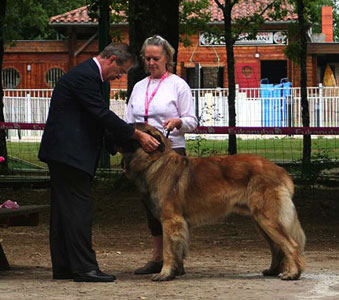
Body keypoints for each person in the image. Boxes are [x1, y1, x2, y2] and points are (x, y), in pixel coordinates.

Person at [38, 43, 160, 283]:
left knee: (64, 213)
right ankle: (85, 268)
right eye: (120, 71)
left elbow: (91, 119)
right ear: (111, 59)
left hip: (63, 153)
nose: (118, 77)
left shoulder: (85, 76)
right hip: (70, 155)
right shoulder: (86, 77)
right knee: (78, 212)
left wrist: (112, 145)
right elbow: (101, 115)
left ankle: (64, 266)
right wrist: (137, 135)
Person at [125, 35, 198, 275]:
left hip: (170, 152)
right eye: (147, 58)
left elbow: (192, 121)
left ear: (167, 58)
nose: (151, 62)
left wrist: (178, 122)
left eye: (156, 58)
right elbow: (128, 121)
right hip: (142, 156)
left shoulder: (178, 85)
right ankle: (158, 257)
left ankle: (176, 259)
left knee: (170, 207)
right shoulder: (138, 86)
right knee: (150, 208)